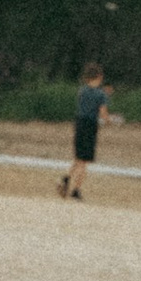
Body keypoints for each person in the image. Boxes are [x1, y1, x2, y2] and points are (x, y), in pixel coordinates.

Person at [59, 61, 110, 199]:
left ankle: (66, 178)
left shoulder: (82, 91)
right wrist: (109, 120)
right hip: (90, 125)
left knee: (78, 157)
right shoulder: (101, 95)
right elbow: (103, 113)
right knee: (84, 161)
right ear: (99, 76)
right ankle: (76, 189)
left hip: (79, 123)